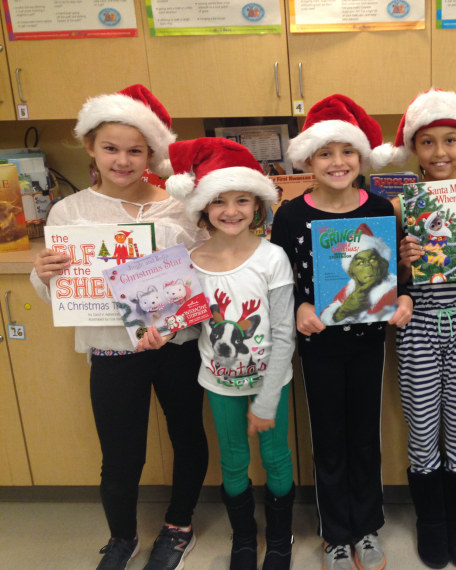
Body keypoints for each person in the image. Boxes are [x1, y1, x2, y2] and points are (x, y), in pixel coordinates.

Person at [30, 85, 209, 570]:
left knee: (188, 436)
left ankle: (179, 525)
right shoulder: (70, 212)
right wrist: (42, 275)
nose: (123, 160)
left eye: (136, 150)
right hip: (111, 350)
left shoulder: (180, 209)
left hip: (177, 347)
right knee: (120, 453)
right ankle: (122, 537)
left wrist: (173, 325)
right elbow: (62, 292)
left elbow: (206, 279)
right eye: (111, 148)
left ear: (152, 152)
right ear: (90, 147)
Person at [270, 94, 413, 570]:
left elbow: (398, 274)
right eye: (325, 153)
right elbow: (280, 281)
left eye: (347, 151)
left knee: (364, 438)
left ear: (361, 157)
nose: (337, 162)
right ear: (308, 159)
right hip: (319, 345)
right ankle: (335, 532)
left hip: (369, 341)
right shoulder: (291, 215)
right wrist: (300, 305)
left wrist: (406, 298)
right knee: (328, 438)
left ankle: (367, 527)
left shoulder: (379, 207)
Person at [138, 137, 294, 570]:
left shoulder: (273, 258)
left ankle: (280, 539)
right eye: (219, 201)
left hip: (270, 384)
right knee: (233, 460)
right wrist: (160, 332)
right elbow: (187, 314)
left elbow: (283, 332)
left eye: (242, 199)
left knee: (277, 457)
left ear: (257, 204)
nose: (231, 210)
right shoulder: (192, 259)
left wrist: (266, 398)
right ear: (203, 207)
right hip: (220, 385)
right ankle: (243, 536)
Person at [373, 88, 456, 569]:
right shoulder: (402, 207)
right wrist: (403, 265)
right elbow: (393, 284)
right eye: (428, 142)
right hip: (419, 327)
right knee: (423, 425)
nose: (440, 152)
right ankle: (431, 519)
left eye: (450, 140)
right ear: (413, 149)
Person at [319, 225, 398, 325]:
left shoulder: (392, 290)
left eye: (372, 259)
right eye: (360, 263)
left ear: (381, 263)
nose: (369, 267)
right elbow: (324, 319)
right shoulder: (347, 290)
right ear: (351, 271)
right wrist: (343, 311)